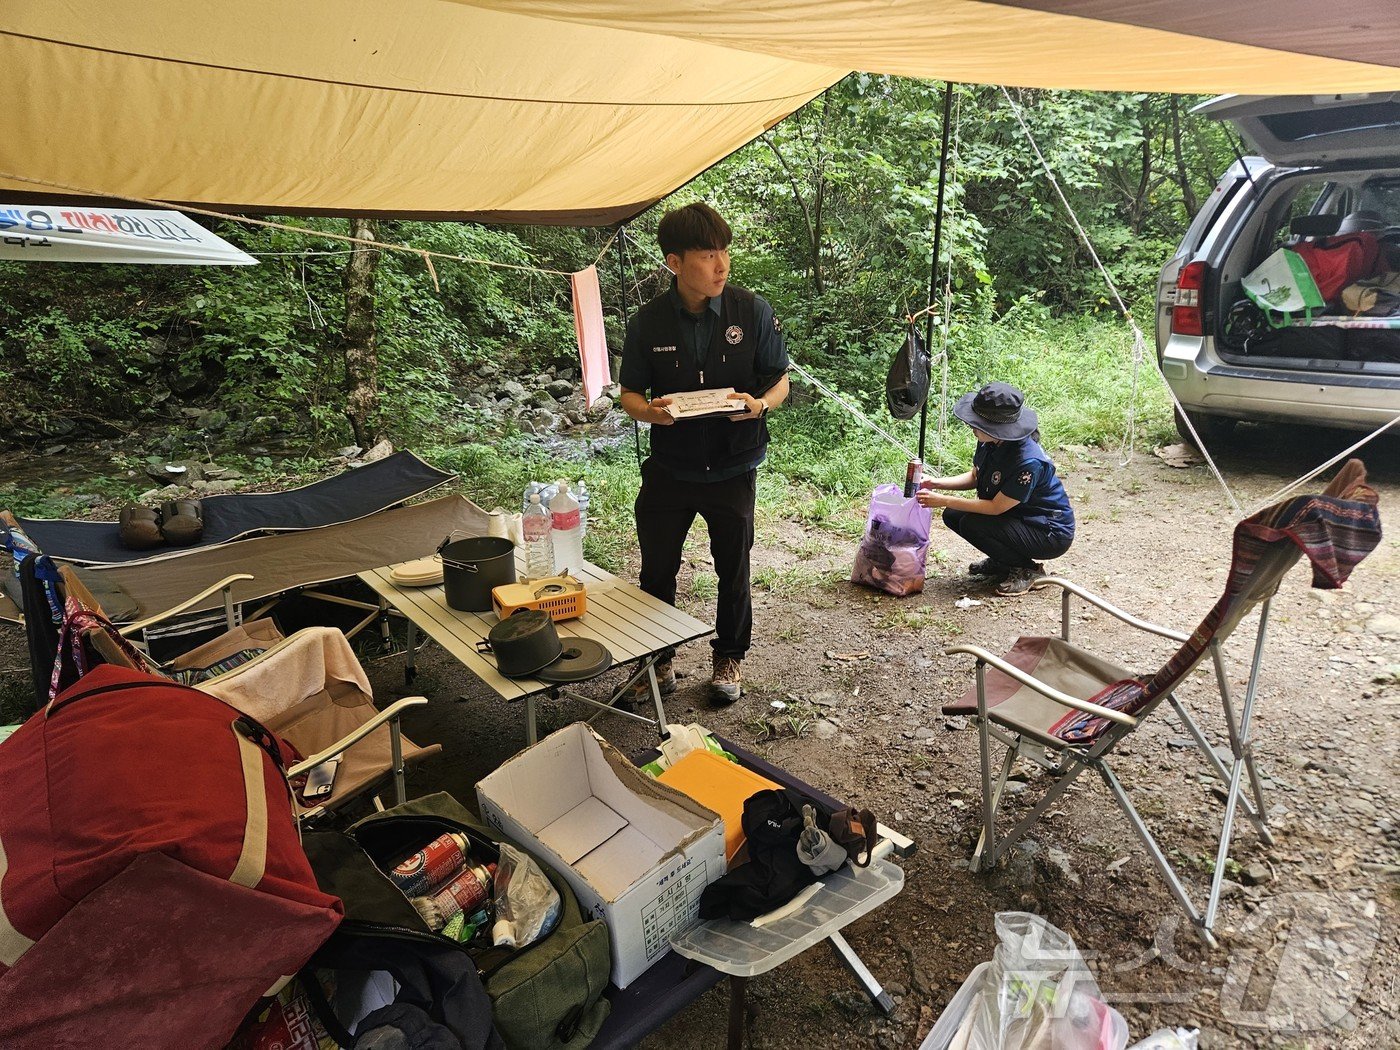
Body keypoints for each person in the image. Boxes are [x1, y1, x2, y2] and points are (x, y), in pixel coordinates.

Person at [619, 203, 790, 704]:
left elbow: (779, 380)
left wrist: (760, 405)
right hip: (670, 468)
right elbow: (630, 393)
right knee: (656, 568)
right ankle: (658, 661)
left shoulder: (751, 311)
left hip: (734, 465)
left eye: (725, 252)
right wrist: (650, 413)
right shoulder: (648, 322)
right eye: (708, 255)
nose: (722, 265)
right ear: (675, 263)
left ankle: (729, 656)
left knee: (732, 568)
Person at [915, 381, 1074, 595]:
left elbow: (995, 508)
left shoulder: (1028, 462)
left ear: (997, 428)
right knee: (953, 515)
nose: (972, 427)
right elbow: (975, 476)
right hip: (1018, 516)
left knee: (973, 523)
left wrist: (942, 499)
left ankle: (1027, 570)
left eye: (977, 423)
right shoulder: (990, 440)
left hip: (1048, 531)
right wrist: (936, 482)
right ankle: (1004, 561)